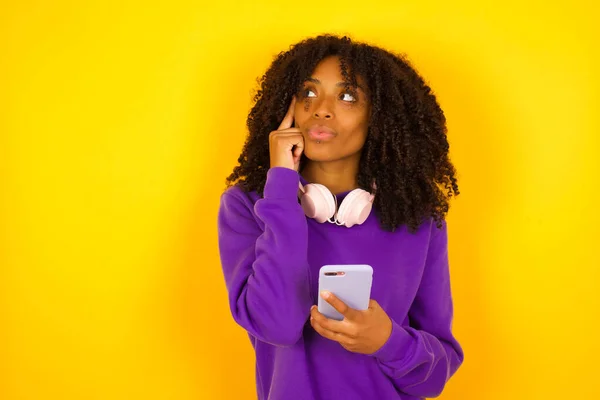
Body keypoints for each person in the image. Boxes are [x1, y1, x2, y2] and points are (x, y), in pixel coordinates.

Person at [217, 34, 464, 400]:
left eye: (347, 96)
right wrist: (282, 187)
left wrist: (388, 341)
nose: (322, 108)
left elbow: (433, 377)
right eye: (308, 93)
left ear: (379, 116)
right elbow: (278, 325)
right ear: (289, 108)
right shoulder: (249, 207)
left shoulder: (418, 219)